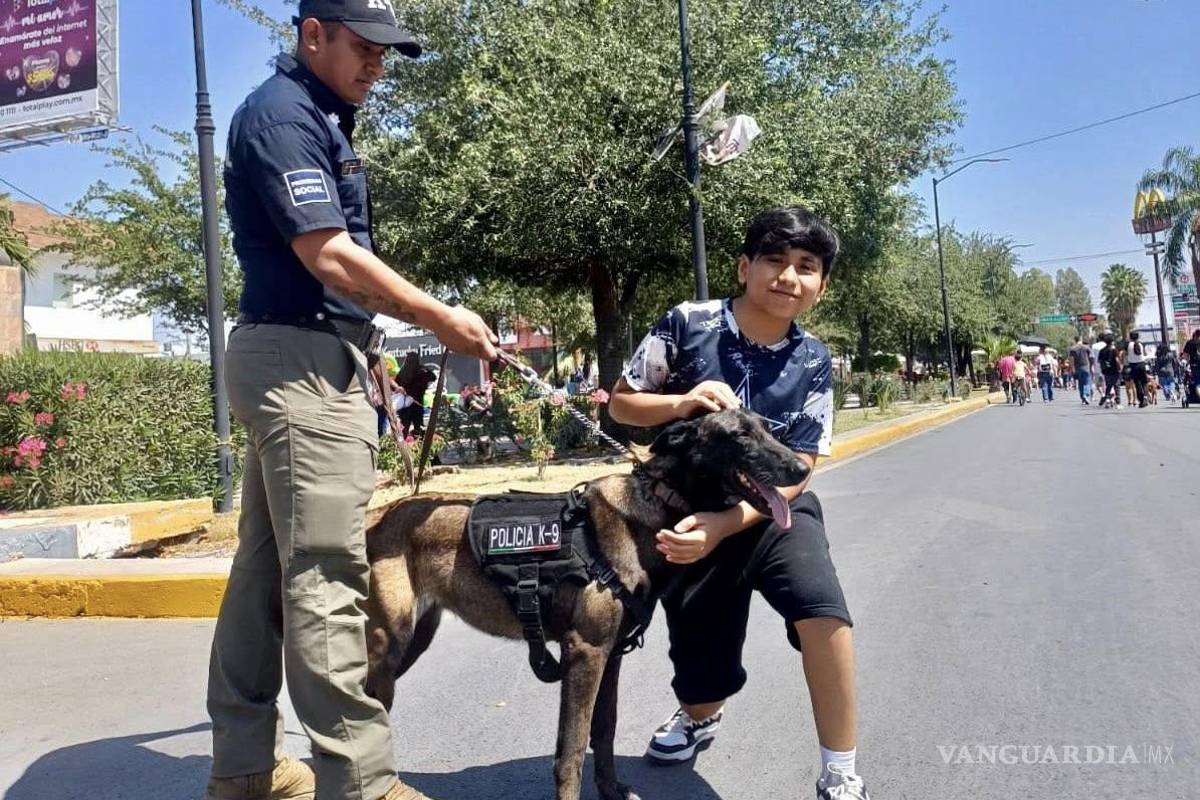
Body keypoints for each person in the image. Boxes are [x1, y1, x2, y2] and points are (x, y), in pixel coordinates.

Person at [205, 4, 499, 800]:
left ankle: (243, 769)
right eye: (364, 48)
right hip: (298, 360)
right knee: (328, 576)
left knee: (265, 571)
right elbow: (327, 252)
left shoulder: (310, 115)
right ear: (312, 35)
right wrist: (439, 316)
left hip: (296, 352)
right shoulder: (284, 116)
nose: (377, 65)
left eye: (385, 54)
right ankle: (361, 782)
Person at [609, 207, 869, 800]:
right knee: (703, 668)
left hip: (774, 509)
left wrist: (730, 524)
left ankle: (841, 771)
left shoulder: (815, 361)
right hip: (688, 506)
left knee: (822, 611)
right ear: (745, 267)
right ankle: (700, 716)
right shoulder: (688, 322)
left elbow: (801, 467)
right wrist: (678, 403)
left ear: (821, 288)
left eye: (806, 267)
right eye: (774, 260)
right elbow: (623, 404)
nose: (788, 276)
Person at [1126, 331, 1149, 408]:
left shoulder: (1128, 345)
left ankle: (1141, 400)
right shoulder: (1140, 344)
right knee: (1144, 382)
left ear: (1130, 337)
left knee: (1137, 383)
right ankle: (1145, 397)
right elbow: (1145, 354)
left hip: (1133, 366)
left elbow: (1126, 354)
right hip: (1142, 364)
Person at [1068, 335, 1094, 405]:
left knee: (1080, 383)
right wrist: (1092, 366)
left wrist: (1072, 368)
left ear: (1075, 340)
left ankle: (1083, 397)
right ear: (1081, 339)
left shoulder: (1072, 349)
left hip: (1077, 368)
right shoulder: (1086, 347)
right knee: (1086, 382)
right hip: (1086, 367)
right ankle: (1086, 395)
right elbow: (1091, 358)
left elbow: (1071, 360)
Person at [1097, 333, 1121, 408]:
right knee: (1116, 386)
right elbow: (1117, 360)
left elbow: (1099, 361)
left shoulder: (1102, 350)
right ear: (1112, 341)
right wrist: (1120, 368)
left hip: (1106, 371)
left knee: (1108, 385)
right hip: (1114, 370)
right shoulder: (1114, 350)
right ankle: (1118, 403)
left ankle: (1107, 400)